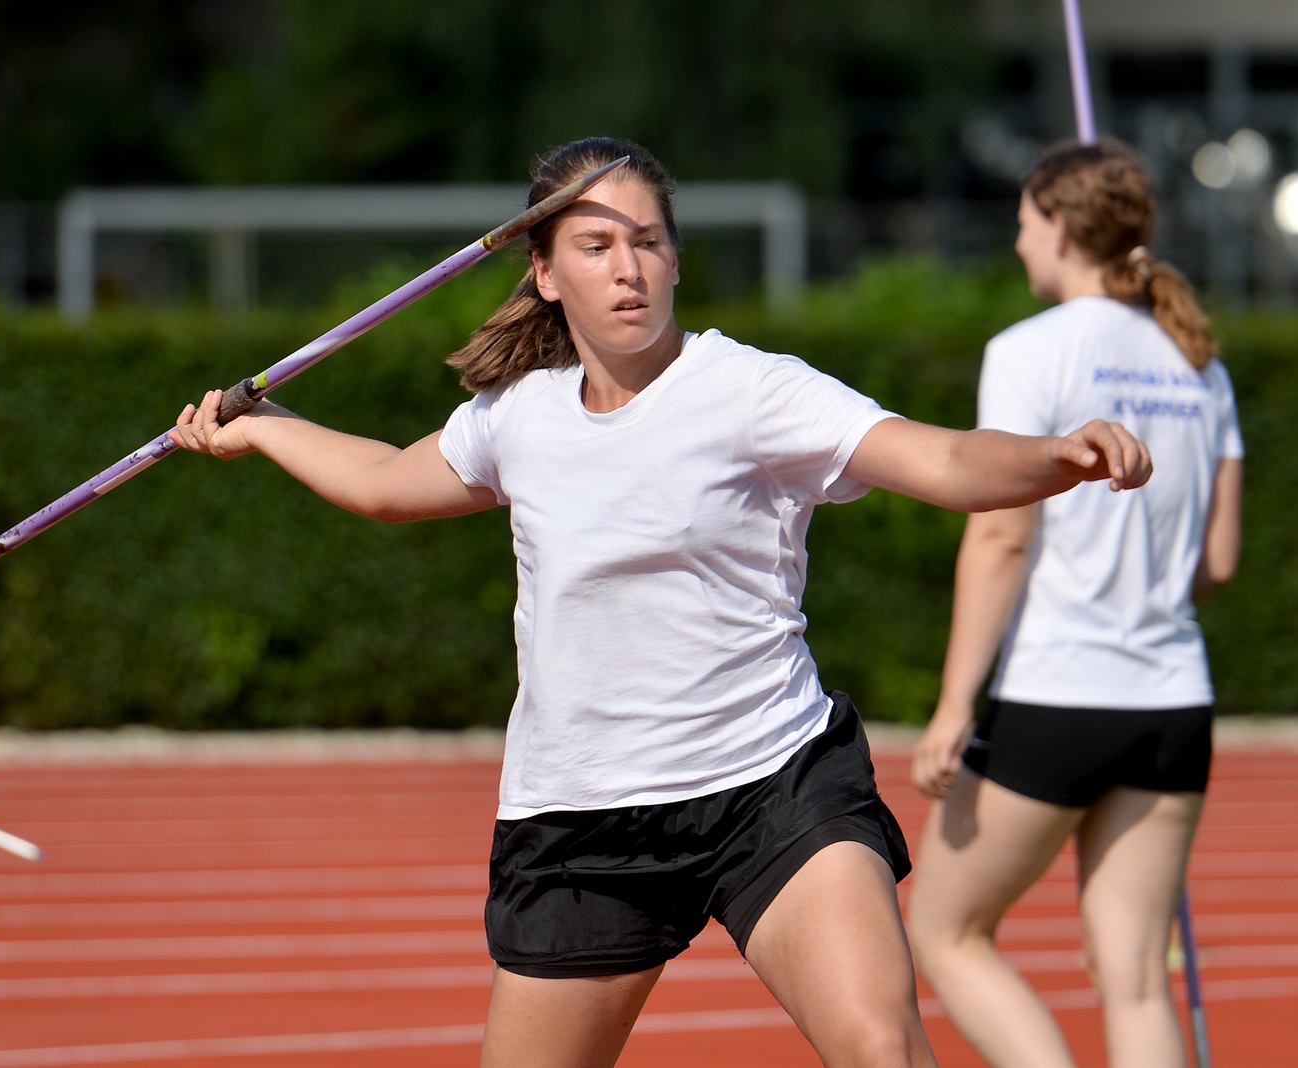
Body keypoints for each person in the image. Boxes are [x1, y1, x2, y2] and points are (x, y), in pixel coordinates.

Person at [171, 136, 1150, 1068]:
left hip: (770, 783)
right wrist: (264, 428)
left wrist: (1050, 457)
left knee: (881, 1047)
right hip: (584, 819)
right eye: (596, 246)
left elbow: (939, 455)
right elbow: (387, 482)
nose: (628, 267)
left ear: (677, 260)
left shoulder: (754, 391)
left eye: (647, 241)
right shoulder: (518, 418)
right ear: (547, 273)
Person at [905, 139, 1242, 1068]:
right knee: (1133, 976)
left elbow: (1002, 534)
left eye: (1022, 224)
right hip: (1173, 701)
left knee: (945, 930)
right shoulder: (1198, 361)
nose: (1018, 244)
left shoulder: (1026, 351)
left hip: (1059, 695)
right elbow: (1218, 560)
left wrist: (951, 704)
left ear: (1058, 226)